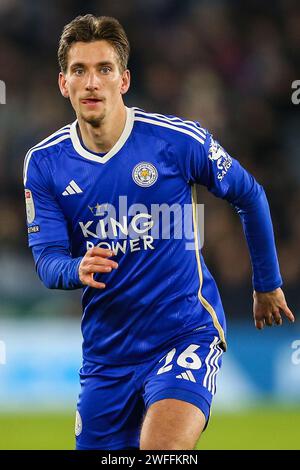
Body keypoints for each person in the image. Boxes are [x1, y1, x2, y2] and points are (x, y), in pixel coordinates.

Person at [23, 14, 295, 450]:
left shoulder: (175, 141)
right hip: (106, 356)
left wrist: (267, 284)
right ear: (63, 83)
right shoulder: (44, 164)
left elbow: (250, 195)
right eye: (79, 70)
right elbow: (47, 258)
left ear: (124, 80)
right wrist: (76, 268)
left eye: (104, 69)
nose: (92, 82)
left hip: (183, 332)